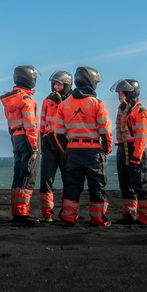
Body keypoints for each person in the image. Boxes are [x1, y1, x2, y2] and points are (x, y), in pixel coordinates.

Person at [53, 66, 112, 227]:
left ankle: (68, 218)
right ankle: (98, 219)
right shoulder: (97, 104)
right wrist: (106, 150)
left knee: (72, 186)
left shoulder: (64, 105)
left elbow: (58, 133)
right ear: (91, 83)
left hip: (73, 151)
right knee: (97, 186)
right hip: (93, 151)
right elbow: (106, 133)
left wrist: (67, 149)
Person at [0, 65, 41, 226]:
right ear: (29, 79)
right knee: (28, 175)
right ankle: (22, 213)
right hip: (27, 139)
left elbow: (11, 124)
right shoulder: (27, 100)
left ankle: (16, 211)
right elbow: (31, 126)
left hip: (16, 138)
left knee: (18, 175)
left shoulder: (10, 100)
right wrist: (35, 148)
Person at [110, 79, 147, 225]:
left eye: (124, 93)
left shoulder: (141, 112)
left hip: (135, 150)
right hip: (122, 149)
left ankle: (146, 218)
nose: (120, 95)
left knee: (140, 184)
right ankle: (129, 214)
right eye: (119, 93)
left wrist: (136, 156)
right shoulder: (122, 110)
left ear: (132, 93)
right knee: (125, 185)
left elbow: (141, 137)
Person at [37, 71, 72, 222]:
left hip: (65, 143)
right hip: (49, 142)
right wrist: (41, 143)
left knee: (68, 180)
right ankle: (47, 215)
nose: (56, 87)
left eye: (60, 84)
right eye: (55, 84)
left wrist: (59, 104)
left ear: (66, 86)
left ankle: (67, 214)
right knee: (46, 179)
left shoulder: (72, 101)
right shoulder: (47, 101)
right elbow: (42, 123)